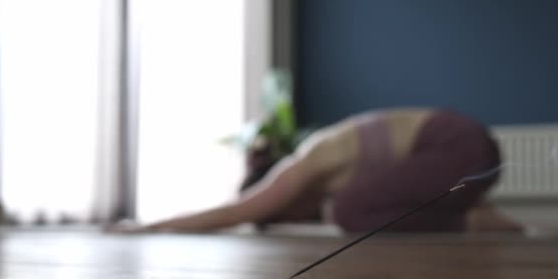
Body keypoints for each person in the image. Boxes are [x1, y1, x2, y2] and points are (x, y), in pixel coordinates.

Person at [110, 107, 522, 233]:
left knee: (347, 211)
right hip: (467, 153)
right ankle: (467, 214)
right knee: (350, 209)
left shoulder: (302, 165)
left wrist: (147, 227)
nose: (292, 216)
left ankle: (469, 218)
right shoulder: (327, 165)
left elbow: (233, 212)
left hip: (458, 147)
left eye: (278, 209)